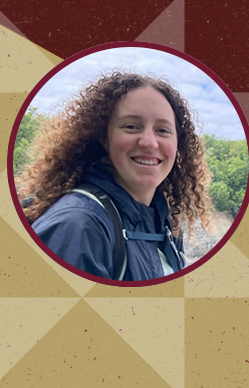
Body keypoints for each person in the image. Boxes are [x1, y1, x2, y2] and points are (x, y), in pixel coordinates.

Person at [17, 71, 212, 281]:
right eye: (131, 126)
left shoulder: (163, 224)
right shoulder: (78, 226)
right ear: (104, 138)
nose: (149, 142)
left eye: (163, 130)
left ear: (178, 144)